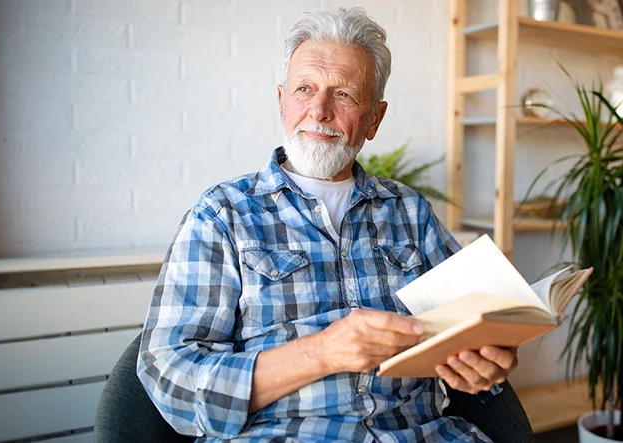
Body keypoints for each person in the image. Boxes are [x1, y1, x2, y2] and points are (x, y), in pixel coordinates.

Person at [137, 7, 518, 442]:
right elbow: (170, 379)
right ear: (282, 101)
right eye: (304, 89)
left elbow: (473, 331)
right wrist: (320, 353)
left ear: (374, 117)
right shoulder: (222, 215)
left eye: (344, 95)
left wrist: (486, 364)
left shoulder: (411, 212)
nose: (318, 111)